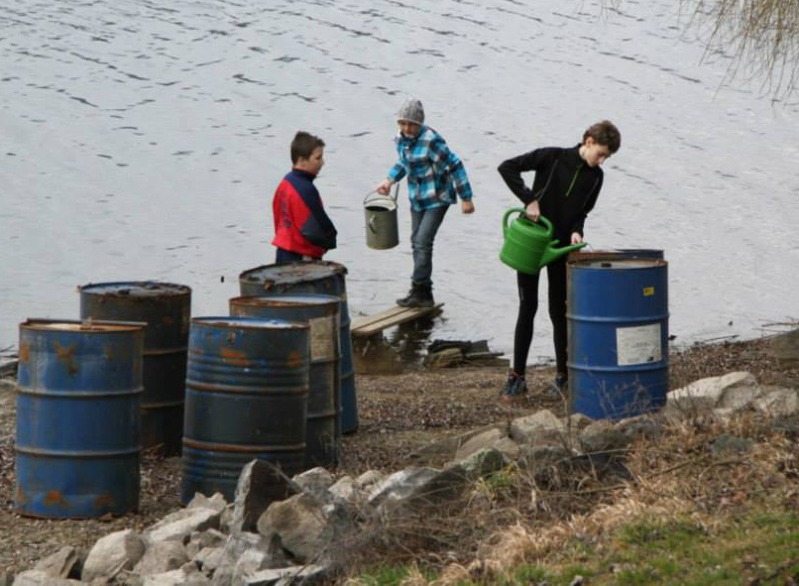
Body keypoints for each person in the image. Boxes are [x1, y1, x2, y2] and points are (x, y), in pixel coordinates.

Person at [497, 120, 621, 402]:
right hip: (531, 240)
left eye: (606, 158)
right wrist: (529, 199)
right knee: (527, 306)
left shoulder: (596, 177)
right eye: (600, 153)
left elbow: (583, 211)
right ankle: (517, 377)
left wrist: (578, 230)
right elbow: (507, 167)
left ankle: (563, 376)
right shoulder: (551, 157)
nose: (601, 161)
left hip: (561, 246)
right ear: (588, 141)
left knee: (558, 311)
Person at [376, 98, 475, 308]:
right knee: (415, 241)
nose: (406, 128)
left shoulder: (431, 141)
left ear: (420, 123)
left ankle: (420, 288)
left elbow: (455, 165)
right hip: (418, 198)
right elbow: (403, 162)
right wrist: (389, 180)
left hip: (438, 197)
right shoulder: (400, 139)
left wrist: (466, 198)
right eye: (402, 123)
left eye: (411, 124)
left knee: (422, 241)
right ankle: (422, 292)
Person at [271, 131, 337, 264]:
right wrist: (330, 238)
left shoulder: (284, 184)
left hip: (282, 251)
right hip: (301, 256)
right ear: (302, 160)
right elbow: (315, 227)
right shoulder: (305, 189)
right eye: (318, 158)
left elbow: (278, 217)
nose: (322, 163)